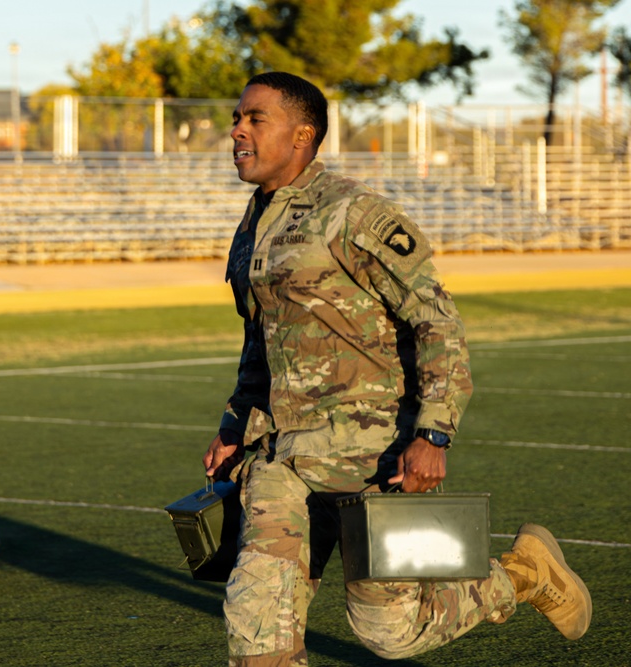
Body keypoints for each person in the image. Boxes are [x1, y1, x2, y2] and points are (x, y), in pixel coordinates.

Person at [202, 73, 591, 665]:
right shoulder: (253, 226)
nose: (237, 131)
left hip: (373, 456)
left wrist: (433, 434)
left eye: (255, 119)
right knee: (257, 624)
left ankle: (522, 574)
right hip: (283, 461)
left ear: (303, 135)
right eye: (237, 118)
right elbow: (261, 341)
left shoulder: (355, 214)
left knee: (392, 632)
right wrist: (236, 426)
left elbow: (436, 321)